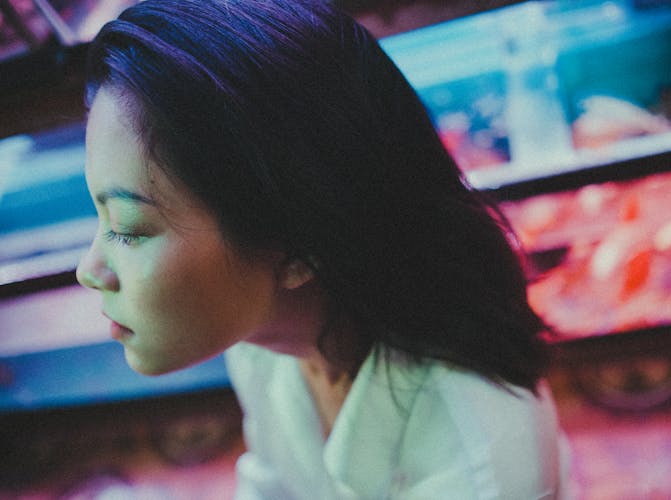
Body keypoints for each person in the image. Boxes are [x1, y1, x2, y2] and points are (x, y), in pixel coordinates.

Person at [76, 0, 569, 498]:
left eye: (128, 226)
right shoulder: (263, 335)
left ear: (295, 246)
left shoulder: (482, 462)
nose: (88, 269)